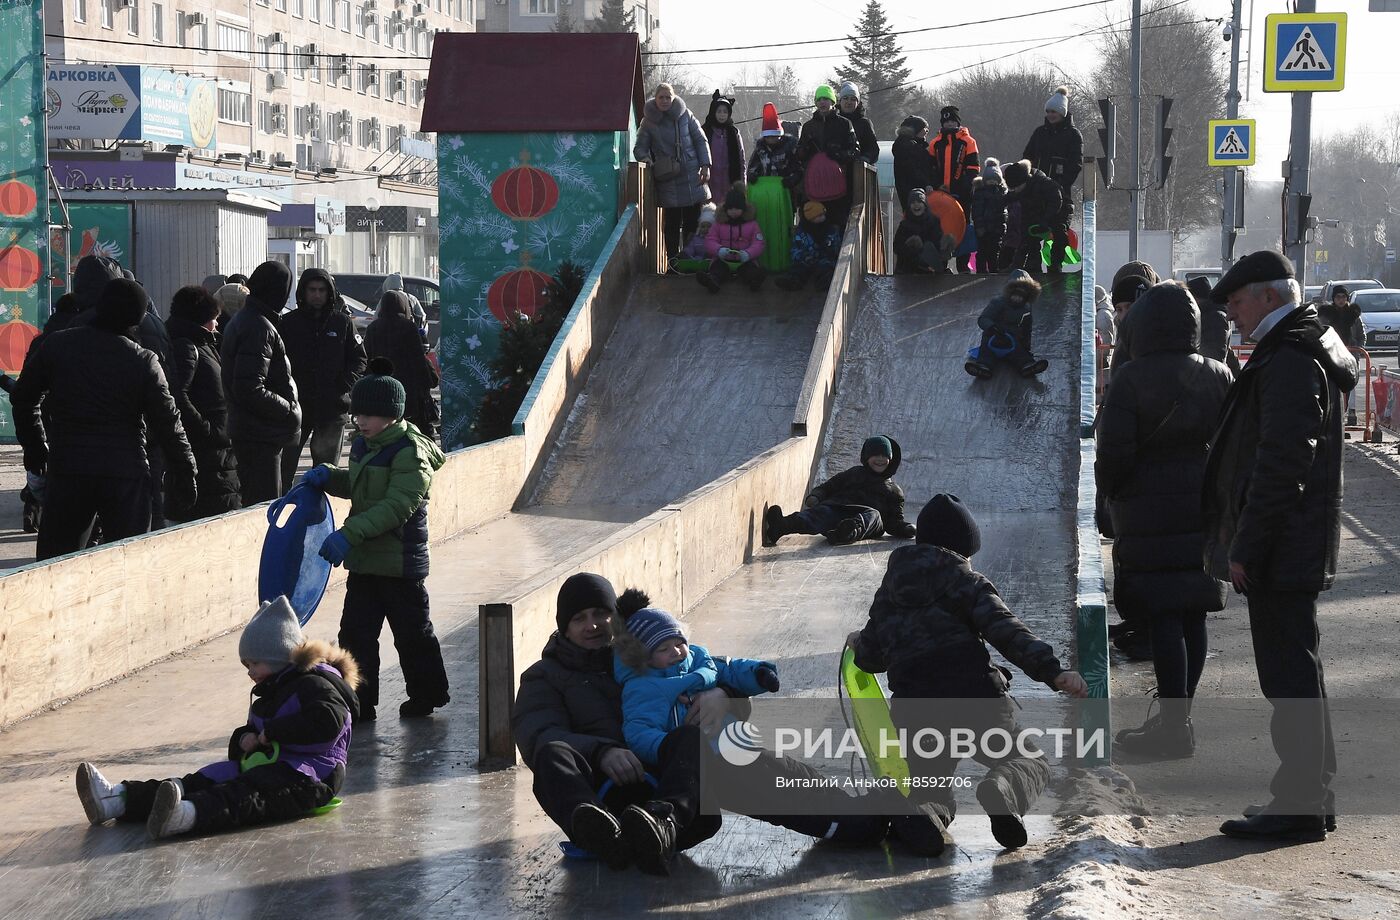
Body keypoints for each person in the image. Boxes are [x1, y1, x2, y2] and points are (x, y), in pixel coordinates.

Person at [513, 575, 891, 877]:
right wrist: (602, 751)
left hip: (676, 790)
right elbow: (538, 732)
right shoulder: (544, 676)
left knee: (743, 759)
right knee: (551, 752)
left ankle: (856, 819)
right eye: (579, 618)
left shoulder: (654, 652)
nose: (593, 624)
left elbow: (714, 676)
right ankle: (595, 832)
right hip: (605, 792)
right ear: (563, 626)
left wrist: (724, 695)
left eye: (601, 613)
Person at [1205, 251, 1356, 843]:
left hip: (1282, 543)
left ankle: (1300, 802)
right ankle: (1311, 794)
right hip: (1294, 541)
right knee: (1300, 670)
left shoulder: (1290, 356)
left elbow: (1282, 462)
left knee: (1288, 674)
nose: (1232, 316)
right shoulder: (1303, 345)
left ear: (1269, 296)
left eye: (1238, 303)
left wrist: (1247, 544)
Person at [847, 494, 1088, 854]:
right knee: (1026, 760)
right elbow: (1007, 630)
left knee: (931, 786)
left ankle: (927, 816)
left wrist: (858, 642)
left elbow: (870, 659)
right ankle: (1002, 790)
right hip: (976, 699)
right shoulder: (967, 580)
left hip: (917, 710)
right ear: (962, 547)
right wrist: (1053, 672)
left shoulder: (890, 592)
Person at [74, 596, 360, 839]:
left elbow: (328, 722)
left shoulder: (316, 685)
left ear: (279, 658)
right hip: (271, 763)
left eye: (255, 663)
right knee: (205, 777)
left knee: (246, 794)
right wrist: (244, 740)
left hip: (311, 777)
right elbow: (253, 732)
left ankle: (187, 814)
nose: (250, 671)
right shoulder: (271, 691)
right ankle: (118, 799)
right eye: (246, 665)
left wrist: (270, 733)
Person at [1095, 283, 1234, 758]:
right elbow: (1235, 446)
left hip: (1147, 511)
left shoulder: (1131, 379)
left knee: (1163, 616)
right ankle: (1181, 720)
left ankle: (1173, 729)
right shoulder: (1219, 374)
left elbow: (1112, 454)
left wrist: (1111, 498)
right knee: (1193, 611)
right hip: (1205, 511)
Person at [300, 360, 449, 721]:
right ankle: (358, 700)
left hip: (399, 564)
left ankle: (427, 695)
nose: (360, 421)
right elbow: (360, 484)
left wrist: (349, 534)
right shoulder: (367, 446)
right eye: (357, 414)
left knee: (412, 634)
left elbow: (396, 506)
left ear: (391, 415)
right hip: (366, 562)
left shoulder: (410, 453)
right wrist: (330, 477)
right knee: (355, 635)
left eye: (368, 415)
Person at [12, 279, 197, 560]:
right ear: (137, 318)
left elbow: (23, 398)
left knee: (58, 564)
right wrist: (186, 471)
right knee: (127, 563)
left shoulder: (58, 346)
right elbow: (169, 423)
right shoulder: (142, 360)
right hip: (125, 472)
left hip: (69, 469)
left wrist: (36, 446)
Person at [609, 607, 779, 873]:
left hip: (730, 749)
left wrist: (759, 674)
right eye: (664, 648)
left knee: (788, 776)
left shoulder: (698, 659)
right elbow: (639, 731)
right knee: (776, 791)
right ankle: (659, 826)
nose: (676, 652)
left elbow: (731, 669)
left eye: (679, 643)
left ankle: (853, 814)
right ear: (644, 656)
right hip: (697, 764)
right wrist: (671, 747)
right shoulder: (644, 686)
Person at [221, 261, 301, 505]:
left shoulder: (249, 320)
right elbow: (250, 388)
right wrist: (287, 408)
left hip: (256, 432)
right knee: (264, 509)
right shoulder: (258, 327)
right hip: (260, 435)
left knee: (261, 504)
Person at [280, 268, 367, 489]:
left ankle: (321, 516)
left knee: (326, 473)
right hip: (297, 408)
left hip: (332, 408)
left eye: (321, 290)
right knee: (284, 469)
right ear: (303, 292)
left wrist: (343, 384)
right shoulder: (288, 323)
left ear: (330, 293)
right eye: (312, 290)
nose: (317, 295)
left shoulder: (342, 323)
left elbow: (359, 359)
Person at [165, 285, 242, 522]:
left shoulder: (203, 344)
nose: (217, 324)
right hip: (206, 450)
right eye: (214, 318)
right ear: (201, 319)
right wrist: (208, 429)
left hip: (217, 450)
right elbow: (178, 396)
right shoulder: (187, 347)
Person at [762, 435, 917, 546]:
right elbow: (831, 486)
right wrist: (817, 495)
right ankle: (782, 526)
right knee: (823, 512)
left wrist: (904, 528)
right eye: (875, 455)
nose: (880, 459)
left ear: (891, 459)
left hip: (868, 524)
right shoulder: (855, 473)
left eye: (885, 455)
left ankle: (847, 533)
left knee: (873, 515)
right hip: (839, 511)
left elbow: (893, 521)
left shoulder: (894, 492)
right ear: (866, 457)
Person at [634, 83, 712, 265]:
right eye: (661, 97)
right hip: (668, 178)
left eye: (668, 97)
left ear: (673, 98)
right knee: (672, 222)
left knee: (692, 221)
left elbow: (701, 140)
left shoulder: (685, 115)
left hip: (692, 175)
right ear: (655, 98)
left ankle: (691, 259)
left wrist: (705, 165)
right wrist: (648, 160)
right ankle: (673, 262)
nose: (665, 101)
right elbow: (639, 148)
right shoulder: (648, 121)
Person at [1021, 87, 1083, 274]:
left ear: (1062, 112)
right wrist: (1029, 178)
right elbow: (1027, 156)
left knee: (1059, 230)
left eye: (1053, 111)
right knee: (1031, 229)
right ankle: (1032, 264)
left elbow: (1076, 163)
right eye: (1048, 111)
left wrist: (1061, 184)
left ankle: (1055, 265)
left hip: (1060, 193)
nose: (1050, 115)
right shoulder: (1040, 133)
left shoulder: (1073, 135)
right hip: (1037, 192)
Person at [364, 292, 442, 437]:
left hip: (380, 388)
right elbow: (418, 358)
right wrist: (425, 384)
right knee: (414, 432)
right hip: (408, 388)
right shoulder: (408, 327)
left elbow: (367, 358)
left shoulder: (373, 328)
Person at [746, 103, 802, 273]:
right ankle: (764, 262)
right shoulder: (760, 149)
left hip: (785, 196)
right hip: (764, 199)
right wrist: (753, 175)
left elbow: (798, 169)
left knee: (784, 228)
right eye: (769, 137)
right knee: (763, 228)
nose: (772, 140)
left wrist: (791, 180)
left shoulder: (790, 147)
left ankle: (784, 261)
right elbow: (751, 168)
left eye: (775, 137)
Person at [965, 270, 1050, 379]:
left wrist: (1026, 346)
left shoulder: (1026, 307)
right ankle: (983, 367)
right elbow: (983, 318)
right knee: (987, 351)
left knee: (1020, 353)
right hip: (993, 336)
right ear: (1010, 292)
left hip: (1012, 339)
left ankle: (1027, 366)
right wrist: (992, 327)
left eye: (1021, 296)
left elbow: (1027, 328)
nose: (1018, 298)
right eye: (1015, 295)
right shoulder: (998, 302)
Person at [797, 85, 860, 228]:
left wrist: (838, 154)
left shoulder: (844, 124)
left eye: (826, 98)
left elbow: (855, 150)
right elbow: (800, 154)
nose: (822, 102)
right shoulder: (808, 126)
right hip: (814, 183)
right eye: (819, 99)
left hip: (838, 183)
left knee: (836, 222)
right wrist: (805, 149)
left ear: (832, 102)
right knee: (813, 222)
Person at [927, 105, 980, 272]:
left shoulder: (968, 141)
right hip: (941, 195)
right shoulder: (935, 143)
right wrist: (936, 186)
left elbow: (973, 168)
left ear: (957, 122)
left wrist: (965, 186)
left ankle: (962, 266)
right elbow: (931, 168)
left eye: (952, 121)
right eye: (946, 122)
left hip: (962, 194)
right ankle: (941, 264)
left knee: (962, 228)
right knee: (940, 228)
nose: (949, 125)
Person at [698, 184, 766, 294]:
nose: (734, 211)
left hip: (744, 259)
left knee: (749, 270)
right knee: (717, 269)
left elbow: (759, 243)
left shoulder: (752, 224)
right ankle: (712, 281)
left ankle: (755, 280)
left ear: (743, 209)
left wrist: (748, 254)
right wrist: (718, 250)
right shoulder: (719, 224)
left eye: (737, 208)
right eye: (731, 209)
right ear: (726, 209)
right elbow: (710, 240)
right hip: (723, 258)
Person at [1001, 159, 1065, 275]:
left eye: (1016, 187)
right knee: (1027, 235)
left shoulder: (1045, 184)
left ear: (1023, 182)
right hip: (1037, 211)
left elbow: (1056, 202)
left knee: (1059, 236)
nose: (1015, 190)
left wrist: (1045, 221)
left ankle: (1055, 266)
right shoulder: (1021, 186)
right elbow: (1010, 197)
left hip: (1059, 211)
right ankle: (1029, 266)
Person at [775, 200, 842, 291]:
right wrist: (803, 256)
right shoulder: (802, 232)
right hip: (807, 258)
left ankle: (824, 283)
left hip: (824, 258)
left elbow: (836, 247)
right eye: (819, 216)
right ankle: (793, 281)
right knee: (798, 268)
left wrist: (829, 249)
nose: (823, 217)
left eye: (823, 214)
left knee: (826, 269)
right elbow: (795, 249)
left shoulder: (830, 229)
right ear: (811, 218)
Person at [893, 188, 953, 275]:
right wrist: (909, 245)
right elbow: (897, 247)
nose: (916, 205)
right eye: (913, 203)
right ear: (909, 206)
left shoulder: (934, 221)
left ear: (925, 205)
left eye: (919, 202)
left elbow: (937, 242)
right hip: (909, 270)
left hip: (929, 268)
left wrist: (945, 248)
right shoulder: (905, 225)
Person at [703, 91, 745, 207]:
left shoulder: (734, 133)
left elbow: (741, 161)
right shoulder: (706, 132)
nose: (722, 115)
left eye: (725, 112)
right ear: (713, 112)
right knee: (710, 215)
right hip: (710, 181)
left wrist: (741, 184)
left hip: (729, 182)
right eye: (719, 111)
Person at [969, 158, 1008, 274]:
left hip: (996, 229)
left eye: (994, 180)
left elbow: (1003, 212)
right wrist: (979, 227)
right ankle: (981, 271)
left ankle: (993, 270)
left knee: (994, 251)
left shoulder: (1001, 193)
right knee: (982, 252)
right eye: (990, 180)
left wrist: (1002, 227)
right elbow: (977, 212)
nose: (992, 182)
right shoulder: (980, 193)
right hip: (984, 229)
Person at [892, 115, 934, 220]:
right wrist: (926, 183)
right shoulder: (908, 147)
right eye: (925, 129)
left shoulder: (907, 145)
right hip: (914, 191)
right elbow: (914, 169)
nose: (927, 131)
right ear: (917, 129)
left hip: (908, 189)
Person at [836, 82, 879, 165]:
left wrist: (865, 158)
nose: (849, 102)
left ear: (858, 102)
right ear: (840, 101)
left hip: (860, 172)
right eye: (845, 98)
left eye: (853, 99)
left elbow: (873, 149)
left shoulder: (864, 123)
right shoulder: (833, 123)